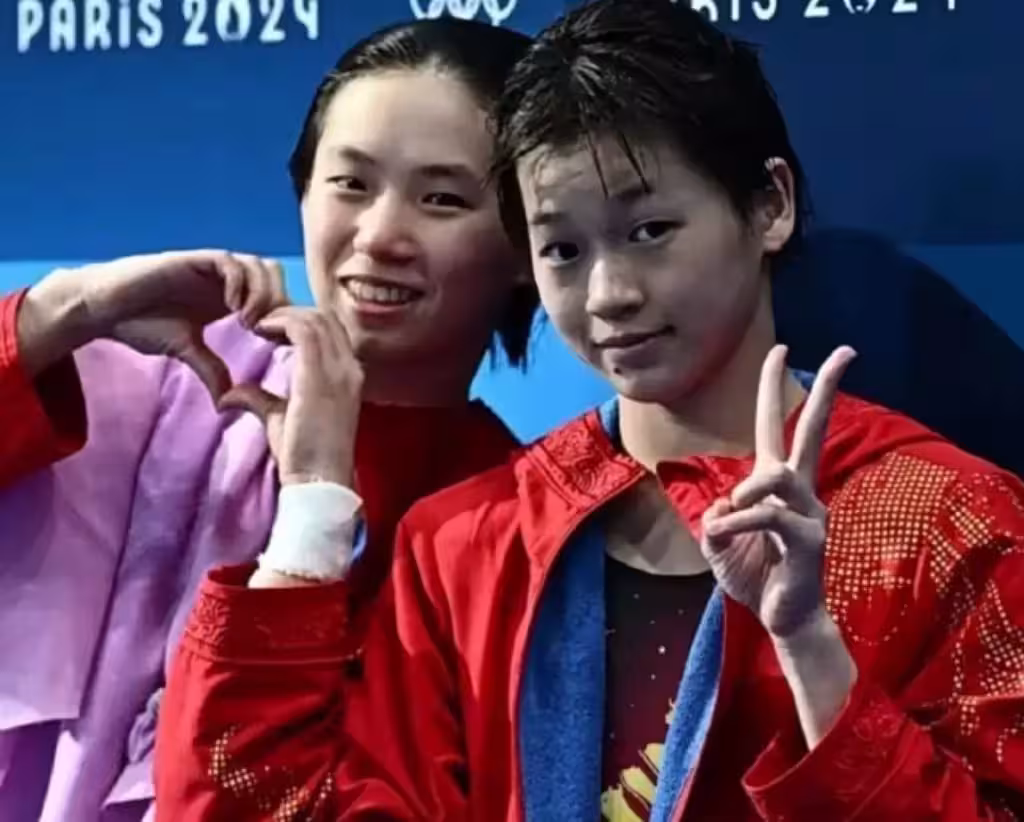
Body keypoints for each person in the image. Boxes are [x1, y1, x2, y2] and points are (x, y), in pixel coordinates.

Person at [157, 1, 1024, 819]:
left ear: (770, 204)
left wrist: (810, 650)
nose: (609, 293)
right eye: (563, 249)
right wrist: (310, 508)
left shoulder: (946, 520)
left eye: (650, 231)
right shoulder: (468, 542)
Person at [0, 18, 537, 822]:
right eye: (350, 184)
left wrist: (315, 507)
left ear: (531, 243)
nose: (380, 236)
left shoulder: (510, 522)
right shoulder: (161, 379)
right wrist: (71, 308)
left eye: (443, 200)